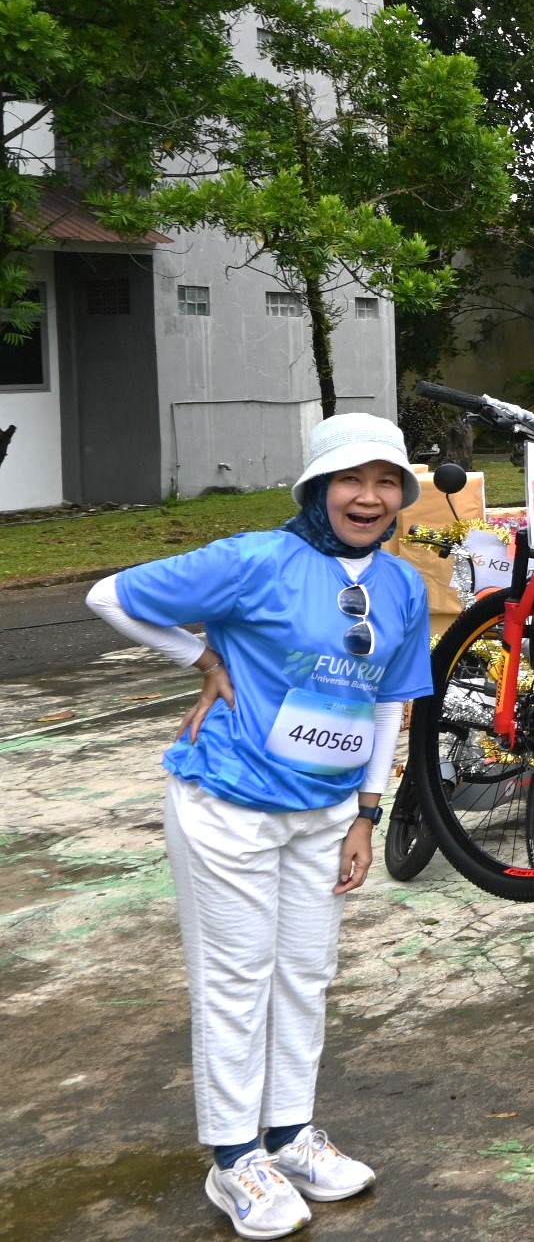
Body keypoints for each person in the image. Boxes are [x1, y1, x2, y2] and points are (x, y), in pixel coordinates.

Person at [83, 413, 432, 1238]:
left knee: (304, 974)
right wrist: (200, 658)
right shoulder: (255, 559)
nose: (369, 497)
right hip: (229, 802)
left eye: (387, 482)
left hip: (325, 814)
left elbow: (388, 703)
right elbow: (109, 595)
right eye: (351, 479)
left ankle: (289, 1133)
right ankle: (235, 1159)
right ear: (317, 487)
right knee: (236, 980)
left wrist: (366, 813)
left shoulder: (403, 584)